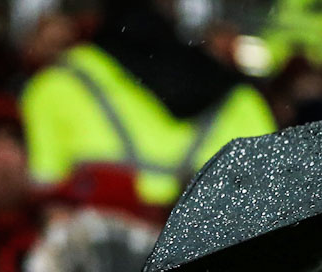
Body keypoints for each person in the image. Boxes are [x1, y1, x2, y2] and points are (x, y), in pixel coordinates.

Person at [20, 0, 273, 209]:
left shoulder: (53, 88)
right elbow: (272, 209)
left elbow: (46, 204)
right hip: (217, 263)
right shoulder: (243, 100)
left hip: (105, 262)